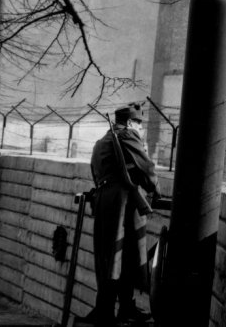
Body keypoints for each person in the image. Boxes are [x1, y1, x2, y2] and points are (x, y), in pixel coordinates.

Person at [84, 104, 160, 326]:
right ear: (129, 123)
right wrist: (156, 187)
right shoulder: (127, 135)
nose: (140, 129)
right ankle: (122, 309)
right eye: (138, 124)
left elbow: (96, 172)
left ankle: (111, 308)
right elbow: (147, 168)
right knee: (127, 256)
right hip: (123, 204)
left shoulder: (102, 142)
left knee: (111, 257)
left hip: (104, 200)